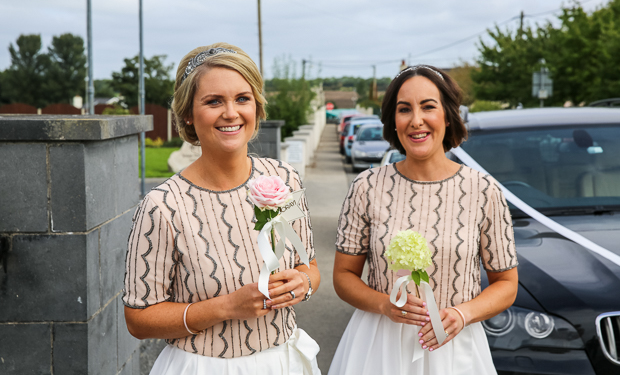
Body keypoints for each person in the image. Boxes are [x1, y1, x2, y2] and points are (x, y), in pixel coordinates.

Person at [123, 43, 321, 374]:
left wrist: (303, 283)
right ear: (188, 113)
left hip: (283, 361)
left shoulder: (283, 178)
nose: (231, 112)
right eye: (214, 101)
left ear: (256, 107)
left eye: (242, 99)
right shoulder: (162, 206)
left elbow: (309, 265)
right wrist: (226, 307)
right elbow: (139, 319)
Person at [329, 65, 518, 375]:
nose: (416, 120)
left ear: (447, 115)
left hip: (455, 348)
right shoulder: (366, 187)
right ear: (394, 120)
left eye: (428, 107)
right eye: (404, 110)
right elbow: (344, 277)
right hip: (378, 345)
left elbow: (506, 284)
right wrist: (383, 305)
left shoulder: (483, 190)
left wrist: (462, 313)